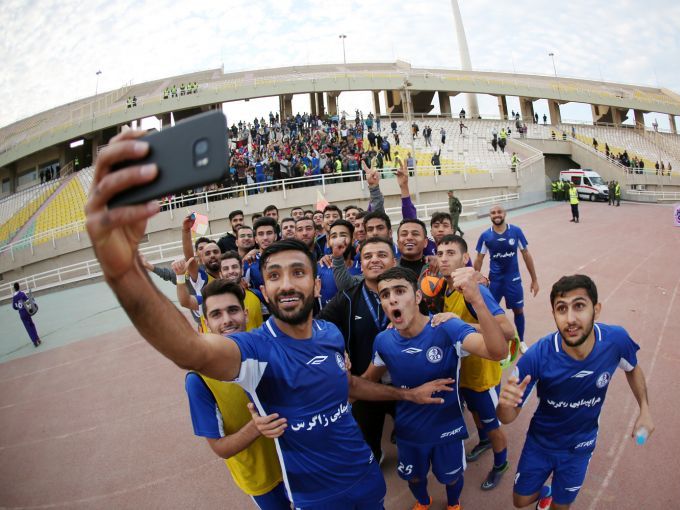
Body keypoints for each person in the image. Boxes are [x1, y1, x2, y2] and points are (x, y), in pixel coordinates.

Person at [84, 139, 453, 509]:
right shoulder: (254, 350)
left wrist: (407, 395)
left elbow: (349, 385)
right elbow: (188, 349)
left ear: (316, 284)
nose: (287, 283)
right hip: (316, 498)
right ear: (263, 289)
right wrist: (124, 270)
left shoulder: (329, 333)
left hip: (366, 478)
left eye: (298, 272)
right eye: (275, 275)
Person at [497, 274, 654, 509]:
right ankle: (547, 492)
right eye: (562, 309)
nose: (570, 319)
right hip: (540, 443)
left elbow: (633, 369)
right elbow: (507, 417)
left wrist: (645, 409)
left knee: (562, 507)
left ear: (596, 310)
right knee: (520, 501)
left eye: (579, 306)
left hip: (580, 446)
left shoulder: (616, 341)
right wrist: (504, 405)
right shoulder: (536, 357)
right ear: (554, 314)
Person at [362, 266, 509, 510]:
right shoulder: (383, 341)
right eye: (385, 295)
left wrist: (477, 301)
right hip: (409, 432)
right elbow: (367, 380)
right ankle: (423, 502)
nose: (392, 299)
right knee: (414, 478)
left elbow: (498, 351)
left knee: (451, 478)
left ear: (418, 296)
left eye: (400, 291)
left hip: (447, 430)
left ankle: (453, 504)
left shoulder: (446, 327)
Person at [185, 279, 289, 508]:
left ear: (245, 313)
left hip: (298, 460)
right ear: (206, 323)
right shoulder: (199, 380)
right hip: (261, 479)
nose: (227, 320)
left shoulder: (271, 346)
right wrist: (257, 427)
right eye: (216, 314)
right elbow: (220, 447)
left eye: (233, 310)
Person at [435, 235, 517, 491]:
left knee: (493, 425)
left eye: (450, 253)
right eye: (440, 253)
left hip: (483, 375)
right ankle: (483, 441)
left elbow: (508, 330)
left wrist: (460, 325)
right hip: (464, 374)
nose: (444, 258)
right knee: (475, 413)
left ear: (465, 258)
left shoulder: (475, 290)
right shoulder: (445, 287)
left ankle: (501, 464)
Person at [319, 236, 398, 462]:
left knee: (413, 435)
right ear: (360, 264)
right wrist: (337, 349)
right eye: (368, 256)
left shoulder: (410, 293)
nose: (375, 260)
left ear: (394, 261)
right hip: (365, 384)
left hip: (405, 381)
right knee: (368, 444)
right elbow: (318, 326)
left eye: (382, 255)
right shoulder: (347, 297)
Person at [474, 205, 539, 344]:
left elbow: (526, 254)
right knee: (490, 314)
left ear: (505, 213)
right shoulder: (486, 236)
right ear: (490, 216)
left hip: (513, 280)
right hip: (495, 282)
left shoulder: (515, 231)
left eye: (499, 212)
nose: (496, 215)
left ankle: (521, 341)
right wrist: (474, 279)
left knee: (518, 311)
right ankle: (497, 341)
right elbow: (479, 259)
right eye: (493, 213)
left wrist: (534, 280)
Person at [12, 282, 41, 347]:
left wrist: (19, 308)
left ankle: (35, 342)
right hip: (27, 311)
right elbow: (28, 301)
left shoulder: (14, 297)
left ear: (14, 288)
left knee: (28, 328)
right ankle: (38, 339)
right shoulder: (22, 293)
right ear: (19, 287)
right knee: (32, 325)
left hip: (21, 313)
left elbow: (14, 307)